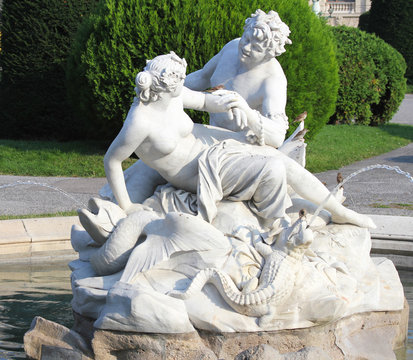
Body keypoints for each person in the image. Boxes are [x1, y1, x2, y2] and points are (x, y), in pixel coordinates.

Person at [104, 52, 375, 230]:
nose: (182, 87)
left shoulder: (171, 93)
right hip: (196, 170)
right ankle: (272, 224)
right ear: (162, 84)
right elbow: (112, 161)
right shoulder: (140, 122)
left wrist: (229, 103)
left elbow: (201, 100)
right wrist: (127, 206)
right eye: (178, 82)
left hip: (205, 144)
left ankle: (338, 210)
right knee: (273, 168)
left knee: (278, 157)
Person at [185, 9, 291, 149]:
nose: (246, 48)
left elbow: (277, 136)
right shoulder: (233, 47)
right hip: (209, 135)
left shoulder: (272, 80)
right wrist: (164, 87)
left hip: (242, 147)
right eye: (246, 39)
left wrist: (247, 112)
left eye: (256, 48)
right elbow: (202, 77)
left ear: (268, 55)